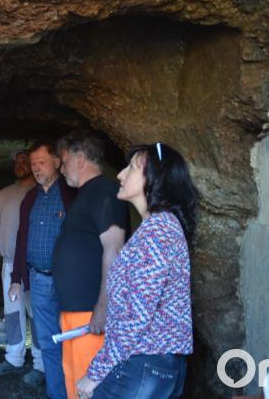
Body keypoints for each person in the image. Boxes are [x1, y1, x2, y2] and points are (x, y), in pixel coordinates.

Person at [76, 142, 198, 399]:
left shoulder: (158, 231)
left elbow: (136, 316)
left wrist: (96, 372)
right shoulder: (157, 227)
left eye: (131, 168)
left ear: (154, 178)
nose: (121, 175)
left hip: (142, 365)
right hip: (150, 365)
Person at [53, 129, 129, 399]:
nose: (61, 169)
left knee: (89, 388)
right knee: (75, 384)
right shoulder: (86, 194)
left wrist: (103, 307)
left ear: (80, 159)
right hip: (78, 312)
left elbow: (114, 249)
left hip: (90, 315)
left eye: (64, 162)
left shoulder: (104, 192)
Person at [9, 142, 77, 399]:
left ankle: (74, 393)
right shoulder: (30, 199)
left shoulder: (72, 194)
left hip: (68, 282)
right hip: (38, 280)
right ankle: (56, 394)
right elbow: (21, 239)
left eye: (42, 163)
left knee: (72, 341)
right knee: (48, 342)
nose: (36, 168)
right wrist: (17, 278)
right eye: (33, 164)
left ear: (57, 162)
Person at [0, 149, 46, 385]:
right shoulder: (4, 193)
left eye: (25, 161)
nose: (20, 164)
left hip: (34, 265)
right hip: (9, 263)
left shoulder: (42, 192)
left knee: (37, 314)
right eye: (17, 161)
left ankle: (41, 363)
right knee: (12, 313)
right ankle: (14, 357)